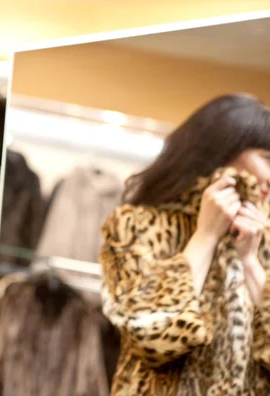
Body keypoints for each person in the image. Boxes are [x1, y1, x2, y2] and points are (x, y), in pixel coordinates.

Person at [100, 93, 270, 395]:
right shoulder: (136, 226)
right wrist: (204, 236)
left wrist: (250, 263)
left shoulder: (263, 240)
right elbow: (152, 335)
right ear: (223, 150)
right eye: (267, 159)